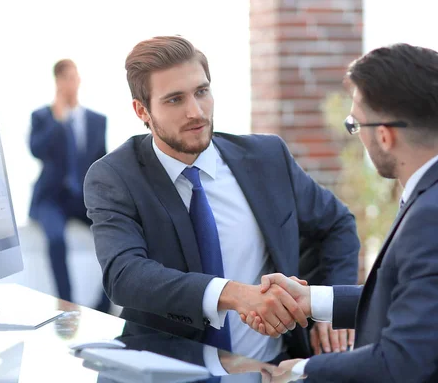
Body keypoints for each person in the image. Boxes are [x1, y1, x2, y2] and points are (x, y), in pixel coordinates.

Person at [242, 43, 438, 382]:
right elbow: (417, 298)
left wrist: (301, 370)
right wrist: (314, 300)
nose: (358, 137)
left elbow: (401, 364)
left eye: (355, 125)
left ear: (384, 135)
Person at [83, 35, 361, 366]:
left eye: (202, 92)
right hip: (168, 370)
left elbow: (337, 224)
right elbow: (124, 275)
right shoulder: (115, 177)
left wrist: (328, 308)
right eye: (174, 100)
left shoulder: (267, 158)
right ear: (142, 110)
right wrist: (234, 295)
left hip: (274, 367)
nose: (195, 112)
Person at [29, 59, 111, 313]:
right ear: (57, 82)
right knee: (55, 240)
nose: (69, 83)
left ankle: (103, 305)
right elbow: (37, 151)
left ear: (79, 80)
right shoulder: (42, 117)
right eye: (64, 78)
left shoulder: (98, 120)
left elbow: (102, 161)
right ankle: (67, 306)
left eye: (73, 77)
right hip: (51, 199)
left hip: (83, 198)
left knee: (113, 237)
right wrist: (58, 119)